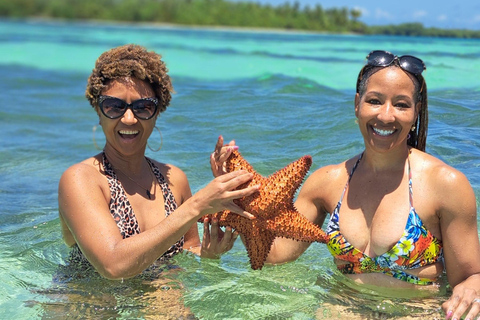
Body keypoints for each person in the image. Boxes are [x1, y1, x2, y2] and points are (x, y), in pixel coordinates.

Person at [211, 50, 480, 320]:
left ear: (416, 111)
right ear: (357, 104)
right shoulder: (328, 182)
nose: (386, 116)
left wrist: (471, 289)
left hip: (416, 313)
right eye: (374, 101)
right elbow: (275, 255)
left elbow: (471, 277)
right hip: (340, 310)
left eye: (401, 104)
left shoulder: (445, 185)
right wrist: (238, 195)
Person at [58, 44, 259, 280]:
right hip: (89, 306)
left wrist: (208, 253)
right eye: (114, 106)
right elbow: (112, 266)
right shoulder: (81, 179)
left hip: (155, 300)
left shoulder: (174, 180)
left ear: (157, 112)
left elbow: (187, 252)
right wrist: (196, 206)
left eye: (143, 107)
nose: (129, 119)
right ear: (98, 111)